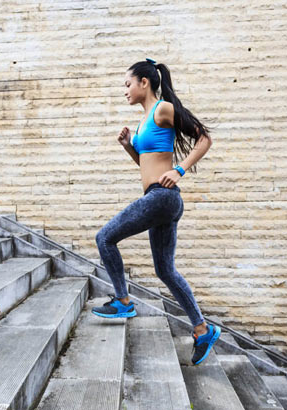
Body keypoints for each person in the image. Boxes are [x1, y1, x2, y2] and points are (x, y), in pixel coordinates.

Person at [91, 58, 221, 365]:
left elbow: (204, 138)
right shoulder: (143, 120)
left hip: (163, 197)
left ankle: (123, 301)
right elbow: (147, 166)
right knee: (165, 270)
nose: (125, 90)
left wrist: (179, 171)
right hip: (158, 198)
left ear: (144, 82)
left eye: (128, 84)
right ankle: (202, 329)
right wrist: (128, 146)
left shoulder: (163, 109)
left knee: (105, 238)